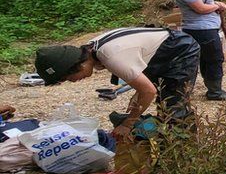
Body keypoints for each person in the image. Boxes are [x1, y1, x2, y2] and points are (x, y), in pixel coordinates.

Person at [34, 27, 201, 142]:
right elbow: (139, 64)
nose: (73, 81)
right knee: (151, 103)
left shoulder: (111, 56)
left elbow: (149, 91)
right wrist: (137, 95)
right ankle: (165, 136)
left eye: (69, 78)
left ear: (77, 65)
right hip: (159, 51)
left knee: (172, 104)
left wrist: (128, 124)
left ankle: (184, 150)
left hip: (180, 50)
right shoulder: (94, 48)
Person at [171, 0, 226, 101]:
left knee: (207, 59)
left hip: (204, 29)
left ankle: (212, 88)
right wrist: (218, 6)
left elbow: (203, 3)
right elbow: (200, 8)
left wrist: (215, 3)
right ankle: (214, 92)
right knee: (213, 59)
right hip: (201, 30)